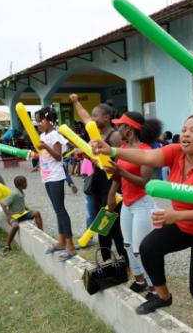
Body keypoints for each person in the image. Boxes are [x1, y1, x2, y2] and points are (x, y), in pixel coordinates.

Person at [93, 112, 193, 333]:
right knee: (148, 248)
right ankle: (163, 296)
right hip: (182, 223)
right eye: (184, 129)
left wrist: (176, 216)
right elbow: (147, 157)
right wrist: (112, 150)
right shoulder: (176, 152)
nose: (185, 134)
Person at [104, 112, 162, 297]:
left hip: (142, 205)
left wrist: (120, 170)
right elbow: (117, 176)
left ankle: (154, 289)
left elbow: (145, 182)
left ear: (128, 128)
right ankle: (140, 281)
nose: (117, 128)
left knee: (141, 249)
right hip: (128, 204)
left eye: (120, 125)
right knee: (128, 245)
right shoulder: (123, 147)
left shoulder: (145, 150)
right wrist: (112, 193)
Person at [69, 93, 127, 262]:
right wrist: (76, 102)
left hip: (112, 186)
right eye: (92, 115)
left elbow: (119, 165)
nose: (92, 119)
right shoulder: (95, 133)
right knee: (101, 224)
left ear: (107, 117)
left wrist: (112, 193)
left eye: (96, 115)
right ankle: (106, 260)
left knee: (115, 226)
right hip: (99, 184)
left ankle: (125, 263)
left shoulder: (114, 136)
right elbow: (85, 117)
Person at [36, 107, 77, 261]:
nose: (38, 123)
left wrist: (45, 146)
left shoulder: (54, 135)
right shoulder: (42, 135)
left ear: (49, 120)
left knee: (60, 210)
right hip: (46, 177)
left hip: (56, 176)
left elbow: (59, 157)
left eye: (41, 120)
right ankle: (61, 242)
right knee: (56, 209)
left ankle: (70, 246)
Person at [1, 176, 43, 256]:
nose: (26, 184)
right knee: (15, 226)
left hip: (22, 214)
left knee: (36, 213)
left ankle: (41, 232)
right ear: (21, 184)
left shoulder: (21, 192)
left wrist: (29, 209)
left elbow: (21, 204)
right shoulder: (14, 194)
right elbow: (3, 204)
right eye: (25, 183)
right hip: (14, 216)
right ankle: (7, 245)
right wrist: (8, 216)